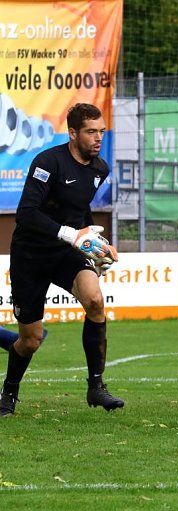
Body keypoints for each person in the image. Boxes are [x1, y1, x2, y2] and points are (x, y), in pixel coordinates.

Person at [0, 103, 124, 417]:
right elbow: (27, 214)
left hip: (66, 253)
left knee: (95, 300)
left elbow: (79, 209)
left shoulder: (100, 169)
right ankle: (8, 395)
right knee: (30, 340)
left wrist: (98, 247)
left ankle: (96, 387)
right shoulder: (48, 162)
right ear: (72, 133)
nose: (98, 138)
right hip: (31, 255)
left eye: (101, 132)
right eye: (90, 132)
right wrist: (72, 235)